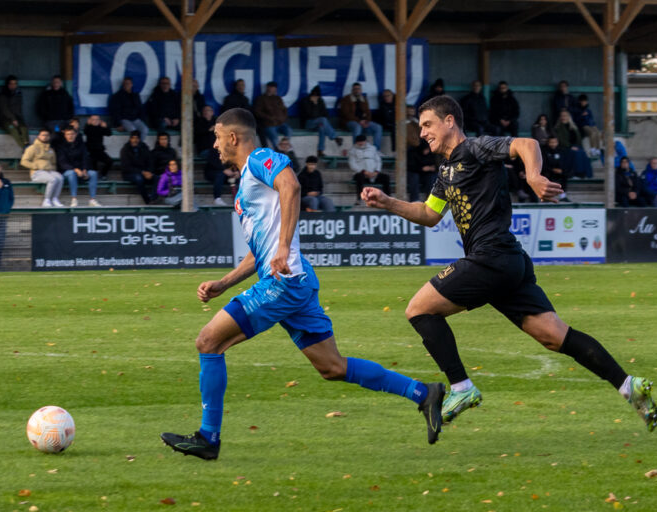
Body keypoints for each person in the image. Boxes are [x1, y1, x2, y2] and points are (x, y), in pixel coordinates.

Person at [360, 95, 657, 434]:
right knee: (554, 336)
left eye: (427, 124)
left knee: (418, 310)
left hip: (490, 258)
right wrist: (387, 202)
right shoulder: (445, 170)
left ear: (449, 122)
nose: (423, 132)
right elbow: (429, 214)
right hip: (507, 262)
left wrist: (533, 176)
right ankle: (627, 384)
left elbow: (526, 143)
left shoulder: (476, 149)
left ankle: (460, 387)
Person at [159, 107, 445, 460]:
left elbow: (291, 184)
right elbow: (260, 251)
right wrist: (225, 282)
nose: (215, 145)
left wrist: (282, 248)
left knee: (208, 342)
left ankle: (208, 438)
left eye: (217, 137)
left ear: (233, 137)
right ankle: (424, 393)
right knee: (332, 367)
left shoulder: (262, 159)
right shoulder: (247, 182)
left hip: (284, 283)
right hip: (293, 280)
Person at [55, 126, 101, 207]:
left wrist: (84, 169)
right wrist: (75, 169)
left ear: (76, 134)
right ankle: (74, 199)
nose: (70, 136)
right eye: (68, 134)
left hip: (80, 170)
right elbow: (62, 163)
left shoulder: (81, 145)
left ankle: (92, 200)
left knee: (93, 173)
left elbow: (85, 158)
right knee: (71, 173)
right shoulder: (60, 147)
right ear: (65, 135)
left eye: (72, 134)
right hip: (66, 171)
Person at [195, 105, 232, 206]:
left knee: (242, 176)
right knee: (220, 174)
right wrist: (224, 169)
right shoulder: (215, 148)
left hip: (224, 173)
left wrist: (236, 171)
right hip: (212, 171)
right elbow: (213, 161)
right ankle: (217, 198)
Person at [21, 128, 63, 207]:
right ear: (38, 136)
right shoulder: (32, 148)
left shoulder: (51, 149)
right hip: (37, 172)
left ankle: (55, 199)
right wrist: (35, 166)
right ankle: (46, 200)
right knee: (52, 179)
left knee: (60, 178)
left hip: (49, 171)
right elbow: (24, 161)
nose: (45, 137)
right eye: (43, 135)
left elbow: (53, 163)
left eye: (47, 135)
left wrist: (52, 169)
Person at [299, 85, 342, 157]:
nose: (316, 98)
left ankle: (320, 151)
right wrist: (314, 105)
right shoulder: (305, 101)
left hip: (318, 124)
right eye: (315, 96)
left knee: (322, 128)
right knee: (322, 120)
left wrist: (319, 115)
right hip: (308, 124)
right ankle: (335, 137)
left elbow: (325, 114)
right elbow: (310, 115)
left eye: (317, 96)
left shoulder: (320, 101)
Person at [339, 82, 383, 151]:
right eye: (355, 89)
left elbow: (368, 112)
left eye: (358, 89)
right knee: (357, 127)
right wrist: (359, 121)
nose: (357, 90)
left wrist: (367, 121)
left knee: (378, 127)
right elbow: (346, 114)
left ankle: (376, 150)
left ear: (361, 90)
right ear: (352, 90)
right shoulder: (346, 99)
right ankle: (356, 150)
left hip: (363, 122)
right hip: (350, 122)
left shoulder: (364, 99)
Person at [553, 109, 593, 178]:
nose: (563, 117)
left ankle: (584, 173)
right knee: (576, 153)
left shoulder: (573, 127)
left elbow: (579, 139)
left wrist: (577, 146)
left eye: (565, 116)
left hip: (575, 146)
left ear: (569, 117)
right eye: (562, 116)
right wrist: (570, 146)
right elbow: (561, 140)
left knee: (582, 152)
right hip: (564, 148)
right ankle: (577, 173)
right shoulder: (558, 128)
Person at [253, 81, 292, 150]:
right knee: (275, 138)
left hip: (280, 123)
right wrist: (269, 118)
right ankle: (278, 152)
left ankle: (285, 149)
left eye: (274, 88)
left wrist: (283, 118)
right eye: (271, 88)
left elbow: (284, 110)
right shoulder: (261, 99)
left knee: (288, 131)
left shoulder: (278, 98)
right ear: (268, 88)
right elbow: (257, 112)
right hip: (269, 124)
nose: (273, 90)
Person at [120, 130, 156, 204]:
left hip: (144, 172)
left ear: (139, 139)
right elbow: (126, 167)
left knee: (157, 178)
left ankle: (153, 198)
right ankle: (147, 200)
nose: (134, 140)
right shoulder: (125, 149)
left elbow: (150, 162)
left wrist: (149, 172)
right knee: (138, 178)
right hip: (129, 174)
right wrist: (143, 172)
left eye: (136, 138)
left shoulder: (144, 148)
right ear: (130, 139)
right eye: (133, 138)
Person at [350, 134, 389, 200]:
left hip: (374, 173)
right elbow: (352, 164)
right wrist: (364, 172)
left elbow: (378, 161)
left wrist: (376, 171)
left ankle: (387, 198)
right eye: (359, 141)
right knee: (359, 177)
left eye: (362, 141)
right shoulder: (352, 151)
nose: (361, 143)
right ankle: (360, 198)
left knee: (386, 178)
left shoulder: (373, 148)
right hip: (361, 173)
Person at [108, 77, 148, 141]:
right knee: (133, 131)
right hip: (124, 119)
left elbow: (140, 109)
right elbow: (115, 111)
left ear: (132, 84)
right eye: (125, 83)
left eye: (128, 83)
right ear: (123, 85)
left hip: (135, 119)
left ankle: (139, 146)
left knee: (145, 129)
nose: (127, 85)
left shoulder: (135, 95)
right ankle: (133, 147)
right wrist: (117, 124)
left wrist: (142, 119)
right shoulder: (117, 96)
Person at [0, 75, 29, 150]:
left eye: (15, 84)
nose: (13, 86)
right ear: (7, 85)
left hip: (18, 118)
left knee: (24, 129)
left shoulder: (18, 95)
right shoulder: (2, 95)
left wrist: (19, 119)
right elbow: (4, 109)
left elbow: (19, 109)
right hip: (5, 120)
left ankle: (27, 145)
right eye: (11, 84)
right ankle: (25, 148)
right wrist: (13, 119)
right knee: (14, 131)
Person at [407, 134, 437, 203]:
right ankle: (415, 199)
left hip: (426, 174)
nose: (427, 151)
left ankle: (431, 199)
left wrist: (430, 168)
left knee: (433, 176)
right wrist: (422, 169)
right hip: (415, 172)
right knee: (414, 177)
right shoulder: (412, 151)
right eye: (425, 149)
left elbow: (434, 165)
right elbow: (411, 166)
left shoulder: (431, 152)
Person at [541, 137, 570, 202]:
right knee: (547, 176)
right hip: (547, 170)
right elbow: (543, 164)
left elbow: (564, 162)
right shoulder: (544, 151)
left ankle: (563, 196)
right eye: (551, 142)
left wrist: (560, 169)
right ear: (548, 143)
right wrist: (552, 169)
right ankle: (547, 196)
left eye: (555, 142)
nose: (553, 144)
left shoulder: (561, 151)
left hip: (558, 171)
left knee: (564, 175)